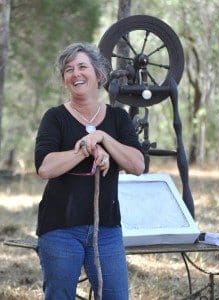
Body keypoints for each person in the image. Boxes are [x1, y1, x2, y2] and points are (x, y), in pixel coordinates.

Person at [35, 42, 145, 300]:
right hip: (60, 229)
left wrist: (103, 137)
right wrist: (85, 148)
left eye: (83, 66)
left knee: (116, 296)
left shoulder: (118, 119)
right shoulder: (55, 118)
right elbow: (45, 167)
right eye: (69, 70)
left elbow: (138, 165)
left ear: (99, 74)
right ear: (64, 81)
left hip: (106, 230)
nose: (76, 74)